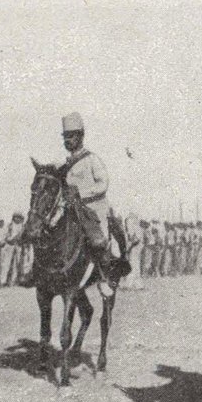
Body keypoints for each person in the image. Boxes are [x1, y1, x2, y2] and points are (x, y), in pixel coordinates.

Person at [59, 112, 124, 293]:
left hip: (93, 209)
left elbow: (103, 184)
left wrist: (81, 194)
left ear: (80, 137)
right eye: (65, 137)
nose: (68, 141)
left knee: (97, 241)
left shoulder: (92, 159)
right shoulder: (64, 164)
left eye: (71, 136)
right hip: (71, 209)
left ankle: (104, 277)